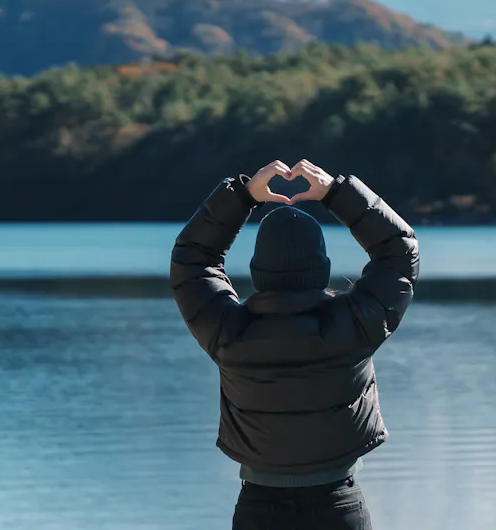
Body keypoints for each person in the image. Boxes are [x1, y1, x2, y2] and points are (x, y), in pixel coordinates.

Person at [171, 159, 420, 530]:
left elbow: (192, 261)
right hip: (339, 507)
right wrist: (337, 192)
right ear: (320, 267)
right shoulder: (354, 326)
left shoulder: (228, 333)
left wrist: (241, 196)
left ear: (258, 271)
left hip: (259, 509)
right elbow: (399, 251)